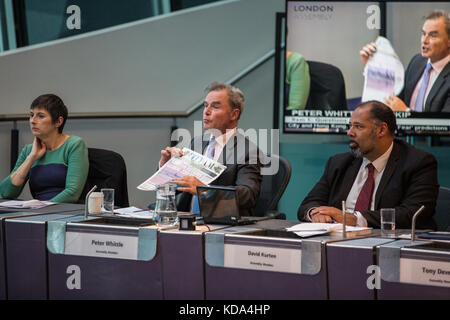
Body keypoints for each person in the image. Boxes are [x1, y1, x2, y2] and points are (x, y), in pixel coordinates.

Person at [297, 100, 438, 229]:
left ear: (381, 130)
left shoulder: (418, 163)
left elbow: (413, 213)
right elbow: (308, 204)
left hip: (390, 247)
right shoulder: (338, 163)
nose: (349, 132)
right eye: (350, 126)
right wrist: (316, 214)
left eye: (358, 126)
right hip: (338, 243)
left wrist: (354, 219)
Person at [159, 82, 262, 216]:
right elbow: (175, 187)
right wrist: (166, 167)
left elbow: (247, 195)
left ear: (234, 114)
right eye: (206, 105)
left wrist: (204, 190)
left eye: (215, 107)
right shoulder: (197, 143)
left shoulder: (248, 151)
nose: (206, 112)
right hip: (185, 220)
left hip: (219, 224)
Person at [0, 94, 89, 203]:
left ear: (58, 122)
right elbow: (6, 193)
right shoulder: (29, 150)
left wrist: (43, 209)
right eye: (31, 115)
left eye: (40, 116)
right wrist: (31, 158)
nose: (33, 120)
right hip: (38, 213)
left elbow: (72, 193)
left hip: (64, 213)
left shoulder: (74, 145)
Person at [360, 10, 450, 112]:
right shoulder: (417, 62)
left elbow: (444, 126)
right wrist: (372, 65)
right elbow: (393, 97)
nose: (424, 41)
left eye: (433, 35)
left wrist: (406, 113)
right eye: (423, 34)